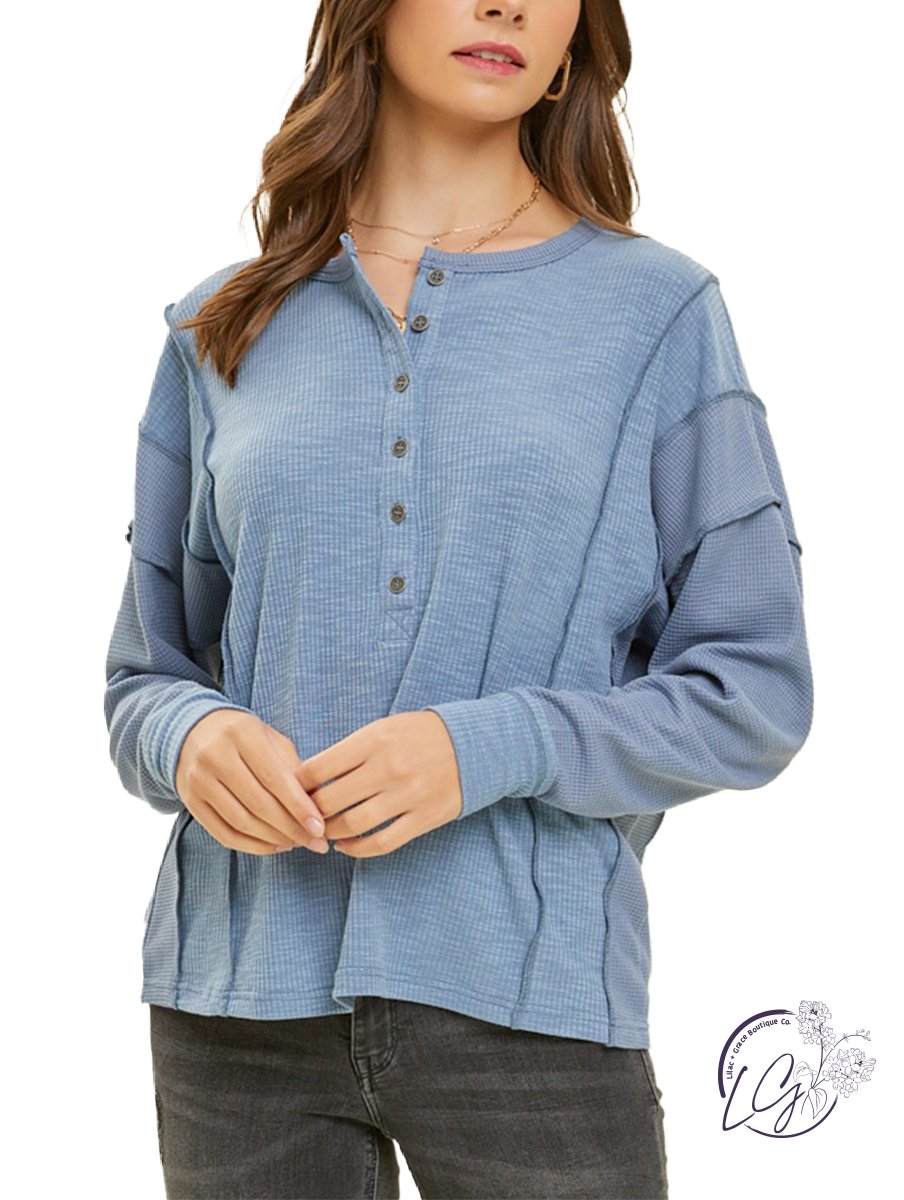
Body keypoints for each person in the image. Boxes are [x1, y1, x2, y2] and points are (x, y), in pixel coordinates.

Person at [103, 2, 814, 1197]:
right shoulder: (218, 325)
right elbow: (144, 677)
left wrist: (485, 746)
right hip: (234, 1015)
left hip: (528, 1009)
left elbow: (752, 691)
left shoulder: (657, 317)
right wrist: (192, 736)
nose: (507, 4)